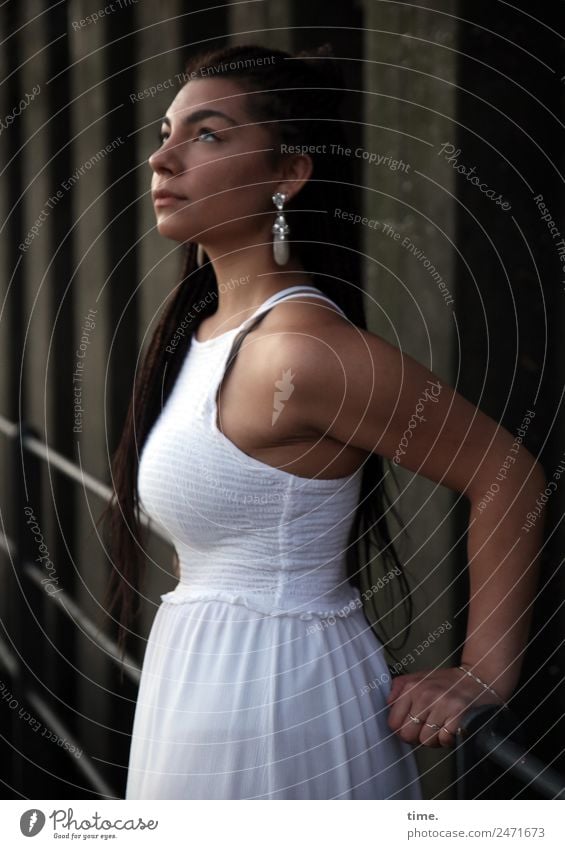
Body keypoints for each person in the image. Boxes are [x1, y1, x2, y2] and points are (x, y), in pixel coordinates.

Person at [99, 43, 546, 799]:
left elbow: (507, 474)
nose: (163, 159)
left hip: (284, 711)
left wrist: (482, 670)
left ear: (288, 173)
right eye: (164, 133)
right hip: (196, 695)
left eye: (206, 134)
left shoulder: (300, 351)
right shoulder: (207, 334)